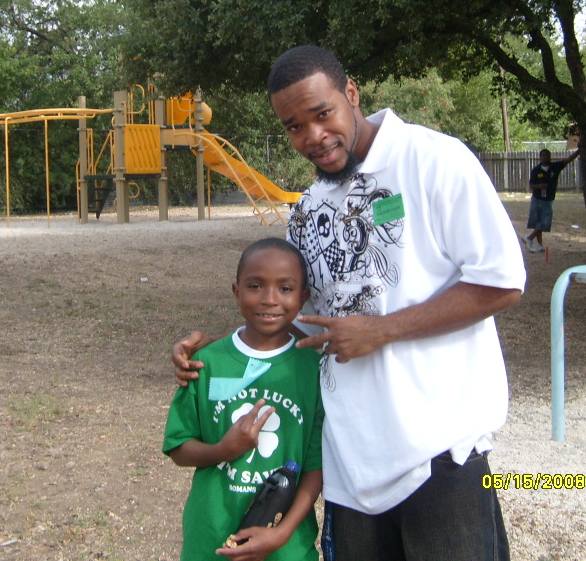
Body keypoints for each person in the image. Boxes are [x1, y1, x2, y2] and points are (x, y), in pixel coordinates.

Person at [173, 46, 526, 561]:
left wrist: (383, 329)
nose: (313, 136)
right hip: (350, 462)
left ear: (352, 93)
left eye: (323, 114)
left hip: (439, 451)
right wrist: (218, 350)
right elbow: (299, 320)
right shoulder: (309, 208)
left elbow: (502, 281)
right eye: (294, 127)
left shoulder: (433, 160)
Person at [163, 237, 324, 561]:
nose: (269, 299)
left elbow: (315, 467)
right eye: (255, 286)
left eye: (285, 288)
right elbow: (178, 446)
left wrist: (282, 532)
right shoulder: (206, 363)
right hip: (211, 540)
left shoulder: (314, 370)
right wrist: (223, 450)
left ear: (303, 297)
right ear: (236, 291)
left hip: (286, 547)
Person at [523, 147, 579, 252]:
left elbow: (568, 160)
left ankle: (529, 238)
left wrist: (579, 151)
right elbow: (531, 185)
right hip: (537, 198)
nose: (546, 157)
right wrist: (539, 186)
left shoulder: (555, 167)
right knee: (538, 222)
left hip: (548, 199)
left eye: (548, 155)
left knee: (545, 222)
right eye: (543, 155)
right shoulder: (536, 170)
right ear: (540, 157)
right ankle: (539, 245)